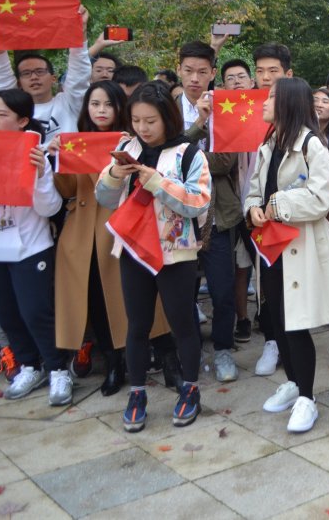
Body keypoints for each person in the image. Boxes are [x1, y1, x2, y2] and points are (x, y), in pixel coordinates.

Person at [96, 82, 212, 432]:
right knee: (137, 325)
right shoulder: (126, 147)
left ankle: (190, 388)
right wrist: (116, 174)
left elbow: (199, 202)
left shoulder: (189, 153)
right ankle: (137, 393)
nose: (143, 129)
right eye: (136, 120)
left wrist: (157, 182)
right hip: (133, 249)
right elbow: (103, 196)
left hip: (176, 251)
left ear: (168, 118)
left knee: (183, 324)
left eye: (151, 121)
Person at [247, 77, 329, 432]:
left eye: (271, 96)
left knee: (297, 322)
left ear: (288, 103)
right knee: (276, 318)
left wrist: (277, 204)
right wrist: (253, 210)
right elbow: (253, 189)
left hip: (301, 245)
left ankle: (307, 397)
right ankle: (292, 383)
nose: (264, 101)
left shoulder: (311, 144)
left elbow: (325, 196)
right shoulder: (268, 142)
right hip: (271, 243)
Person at [51, 81, 153, 397]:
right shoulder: (74, 142)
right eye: (95, 104)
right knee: (97, 300)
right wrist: (57, 161)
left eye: (108, 104)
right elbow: (67, 191)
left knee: (126, 299)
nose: (101, 111)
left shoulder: (133, 141)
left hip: (122, 228)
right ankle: (112, 363)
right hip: (83, 235)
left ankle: (133, 358)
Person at [0, 89, 69, 404]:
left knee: (36, 311)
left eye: (2, 115)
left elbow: (49, 208)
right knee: (7, 313)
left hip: (29, 246)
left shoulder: (37, 152)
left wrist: (42, 173)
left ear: (22, 120)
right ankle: (29, 364)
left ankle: (57, 368)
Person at [176, 41, 242, 383]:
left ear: (213, 74)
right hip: (176, 216)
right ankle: (189, 351)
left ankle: (223, 349)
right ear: (179, 70)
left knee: (222, 288)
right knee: (182, 290)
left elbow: (226, 160)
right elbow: (166, 160)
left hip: (218, 214)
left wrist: (186, 154)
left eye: (202, 71)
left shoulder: (225, 107)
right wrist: (199, 127)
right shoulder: (167, 107)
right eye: (188, 71)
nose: (195, 78)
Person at [0, 0, 92, 141]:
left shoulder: (69, 103)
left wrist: (80, 26)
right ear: (18, 82)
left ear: (53, 78)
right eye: (26, 73)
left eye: (40, 71)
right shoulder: (9, 107)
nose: (34, 77)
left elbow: (79, 70)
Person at [250, 43, 295, 375]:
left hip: (288, 217)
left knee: (288, 281)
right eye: (260, 71)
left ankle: (293, 345)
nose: (265, 78)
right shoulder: (237, 108)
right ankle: (272, 339)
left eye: (273, 72)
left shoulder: (295, 116)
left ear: (288, 75)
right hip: (250, 209)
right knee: (263, 279)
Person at [220, 58, 258, 344]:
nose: (236, 82)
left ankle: (266, 314)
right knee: (239, 265)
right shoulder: (219, 117)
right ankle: (242, 318)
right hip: (232, 204)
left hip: (261, 204)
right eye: (230, 78)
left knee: (265, 266)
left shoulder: (263, 112)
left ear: (252, 82)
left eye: (241, 77)